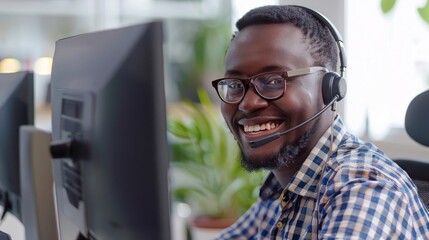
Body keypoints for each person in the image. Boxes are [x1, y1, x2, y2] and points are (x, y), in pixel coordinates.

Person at [210, 5, 429, 239]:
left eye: (274, 81)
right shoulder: (285, 185)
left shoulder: (364, 189)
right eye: (234, 85)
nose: (248, 104)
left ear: (329, 89)